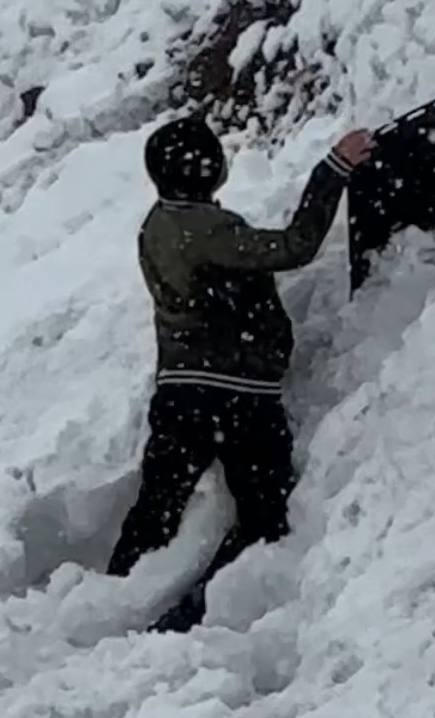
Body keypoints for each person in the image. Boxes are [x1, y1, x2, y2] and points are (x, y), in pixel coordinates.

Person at [107, 116, 375, 632]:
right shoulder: (208, 230)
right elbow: (295, 247)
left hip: (179, 392)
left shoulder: (154, 227)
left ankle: (111, 603)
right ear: (209, 169)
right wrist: (333, 171)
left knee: (157, 508)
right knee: (264, 513)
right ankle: (193, 618)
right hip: (236, 395)